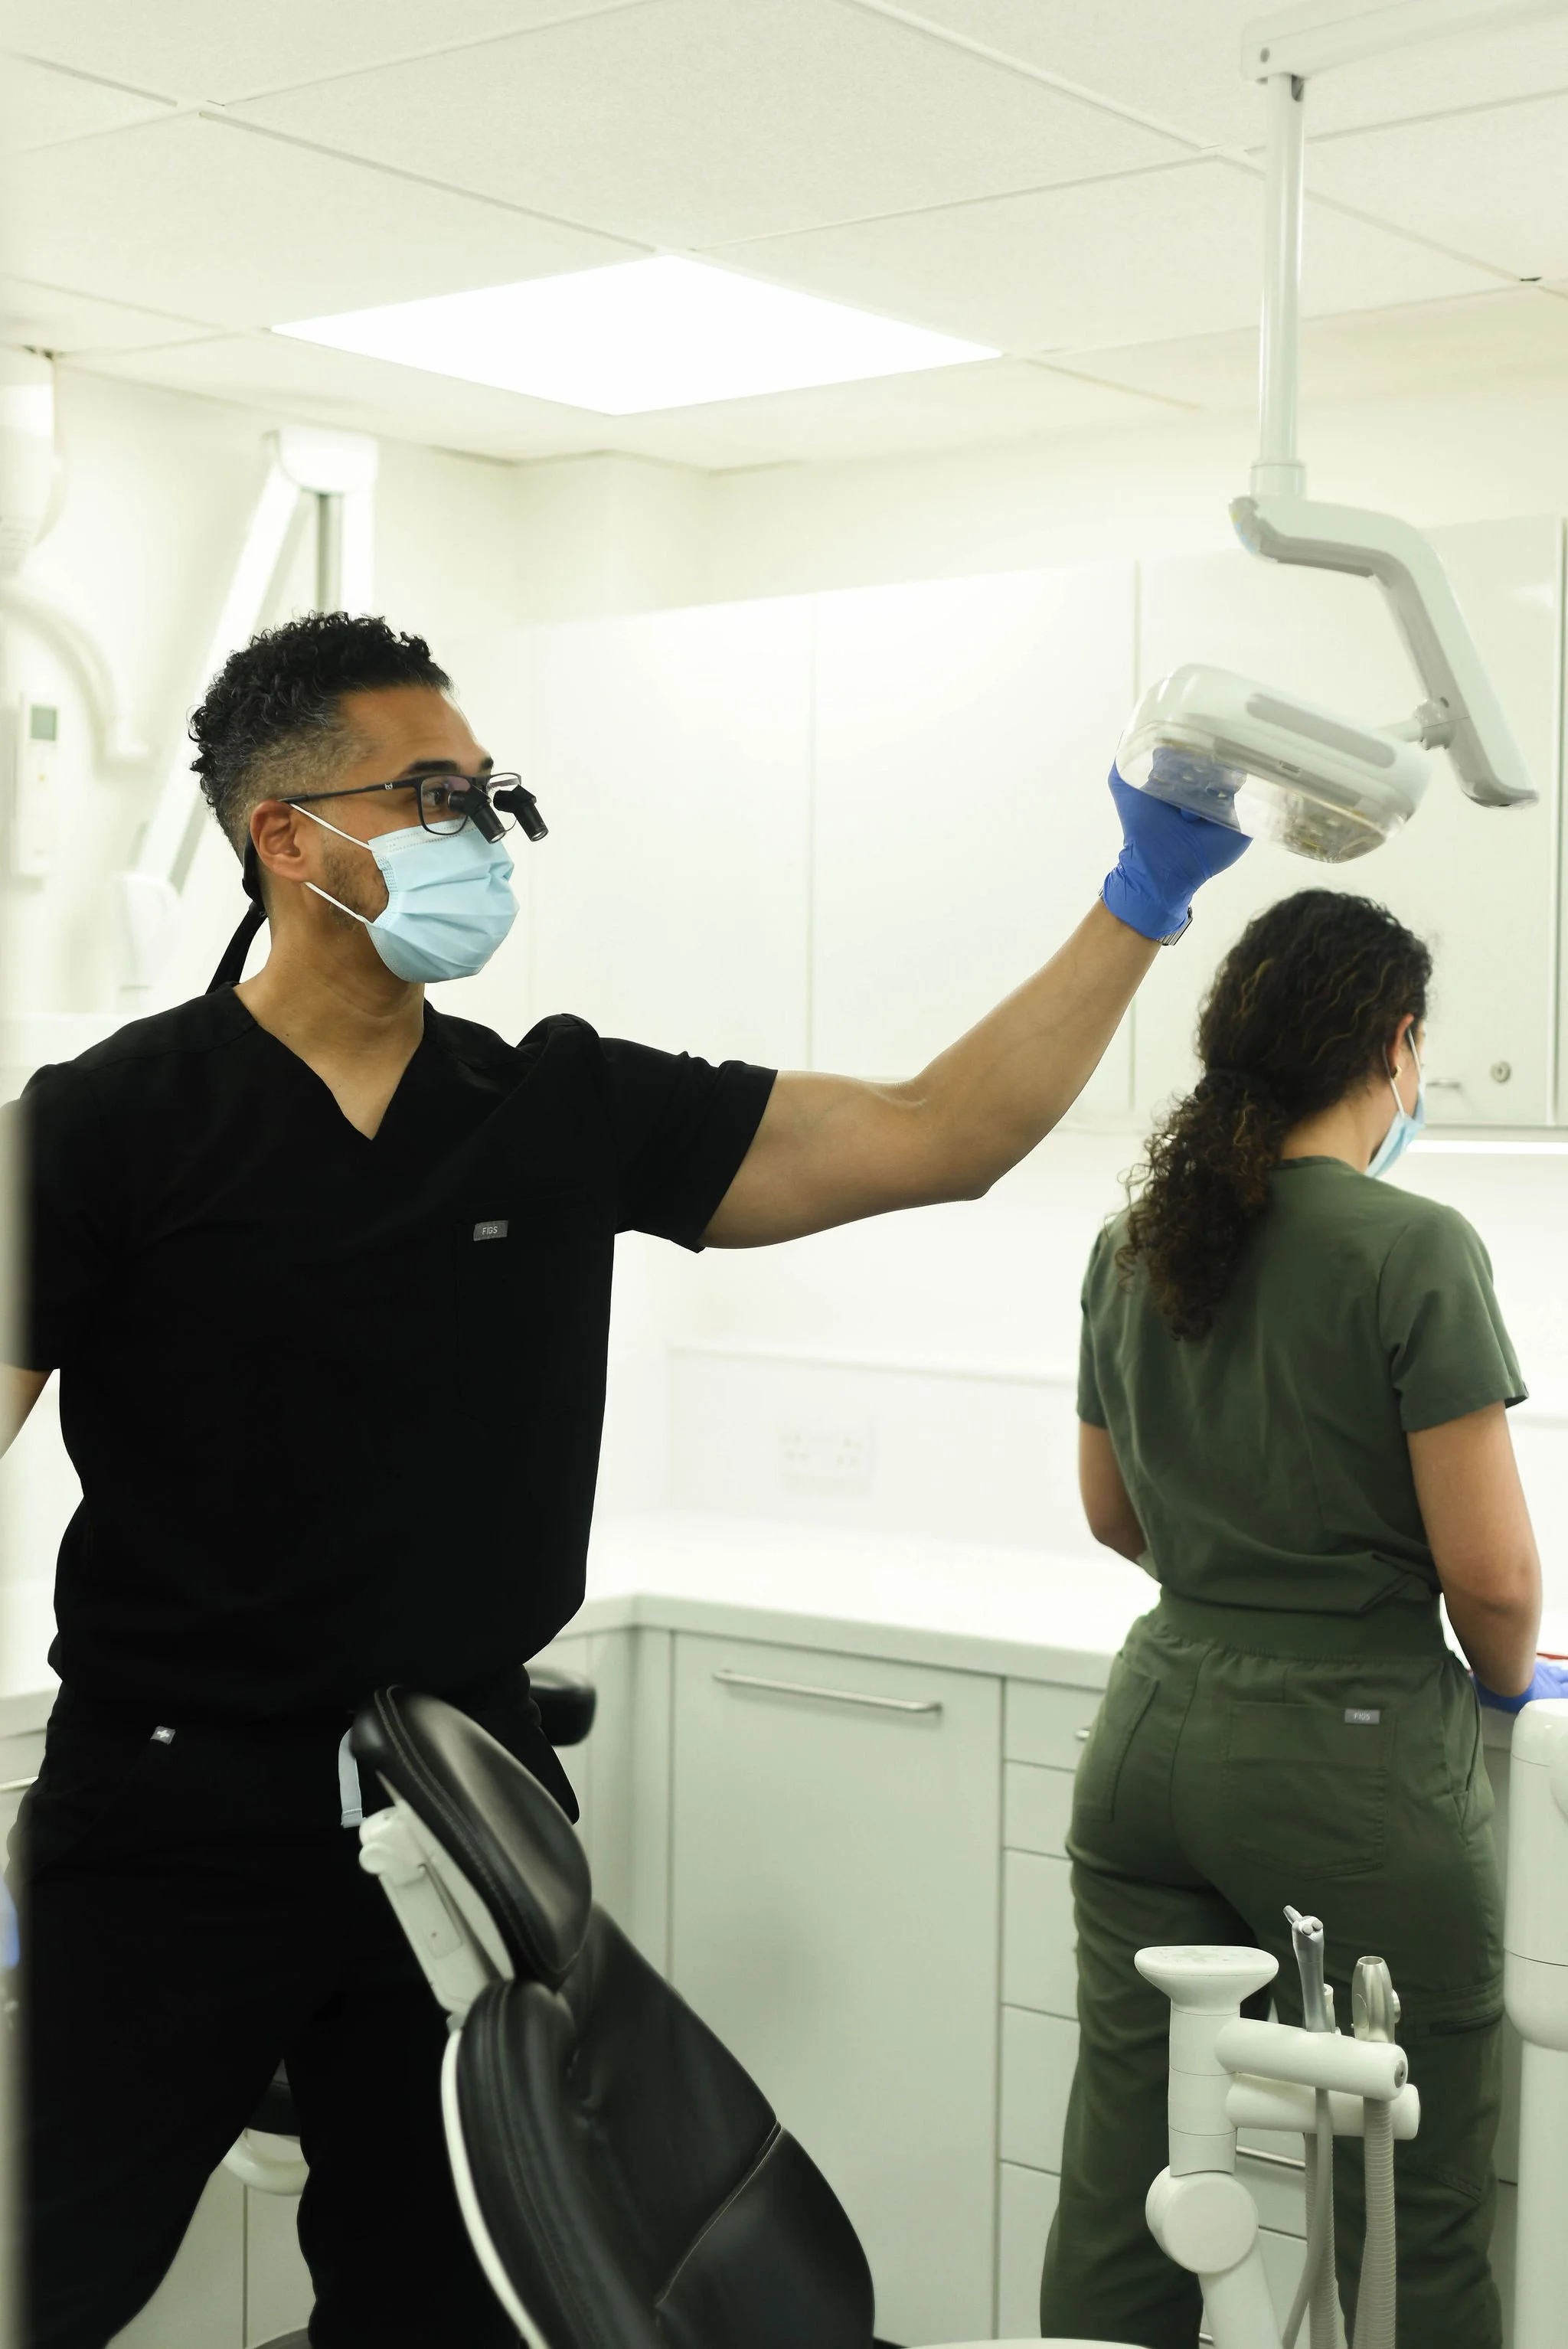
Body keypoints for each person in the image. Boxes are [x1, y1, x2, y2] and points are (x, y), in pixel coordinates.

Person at [0, 629, 1247, 2349]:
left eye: (486, 797)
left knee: (445, 2303)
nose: (476, 830)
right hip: (165, 1819)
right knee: (43, 2273)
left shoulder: (555, 1104)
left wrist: (1144, 891)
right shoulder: (105, 1124)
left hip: (453, 1819)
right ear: (286, 836)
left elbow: (933, 1132)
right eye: (431, 796)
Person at [1038, 887, 1549, 2349]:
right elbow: (1495, 1581)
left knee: (1131, 2172)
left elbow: (1112, 1514)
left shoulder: (1140, 1237)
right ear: (1396, 1045)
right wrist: (1508, 1688)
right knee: (1405, 2197)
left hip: (1151, 1736)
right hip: (1357, 1756)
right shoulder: (1412, 1246)